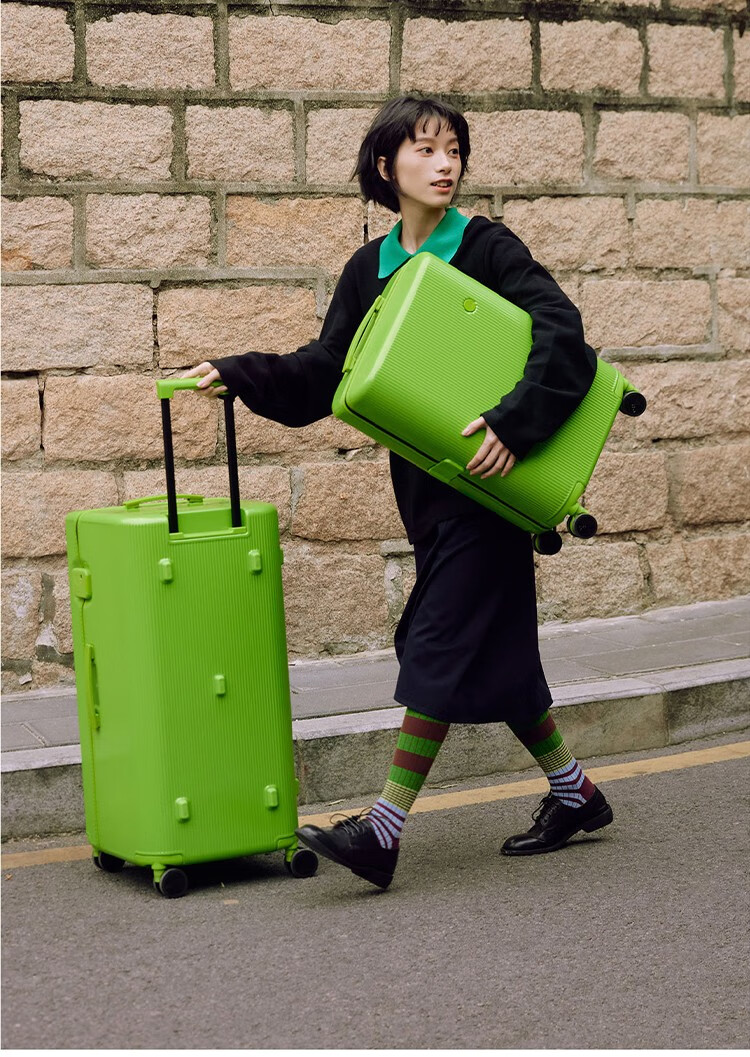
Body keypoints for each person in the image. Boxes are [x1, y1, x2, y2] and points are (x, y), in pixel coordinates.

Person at [183, 94, 613, 891]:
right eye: (426, 149)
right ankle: (575, 792)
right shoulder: (368, 269)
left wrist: (514, 422)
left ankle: (383, 829)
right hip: (428, 492)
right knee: (493, 651)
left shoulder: (486, 247)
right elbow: (327, 369)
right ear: (387, 167)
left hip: (492, 487)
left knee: (437, 642)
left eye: (454, 150)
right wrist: (242, 373)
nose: (445, 165)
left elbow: (563, 332)